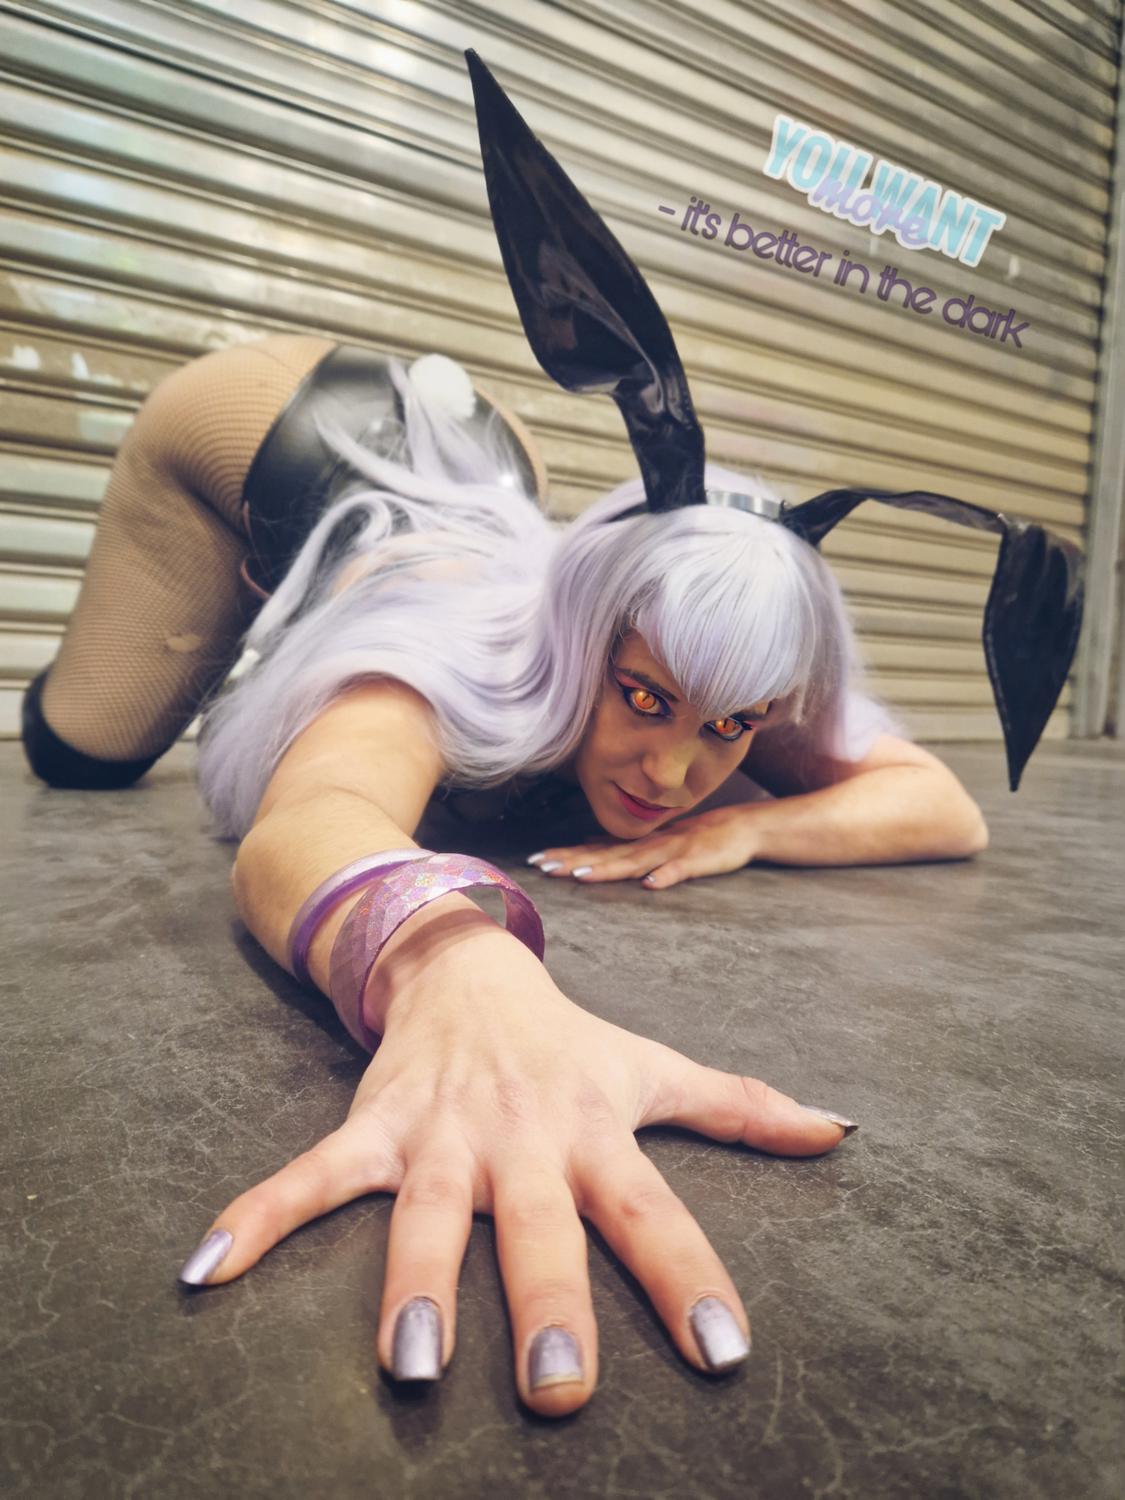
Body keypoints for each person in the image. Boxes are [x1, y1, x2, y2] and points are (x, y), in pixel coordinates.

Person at [18, 51, 1080, 1421]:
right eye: (641, 700)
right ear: (588, 640)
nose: (676, 772)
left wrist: (748, 827)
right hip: (258, 428)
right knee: (82, 749)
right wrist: (458, 964)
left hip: (484, 445)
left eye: (730, 729)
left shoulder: (707, 639)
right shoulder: (456, 651)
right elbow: (308, 824)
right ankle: (255, 596)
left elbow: (941, 805)